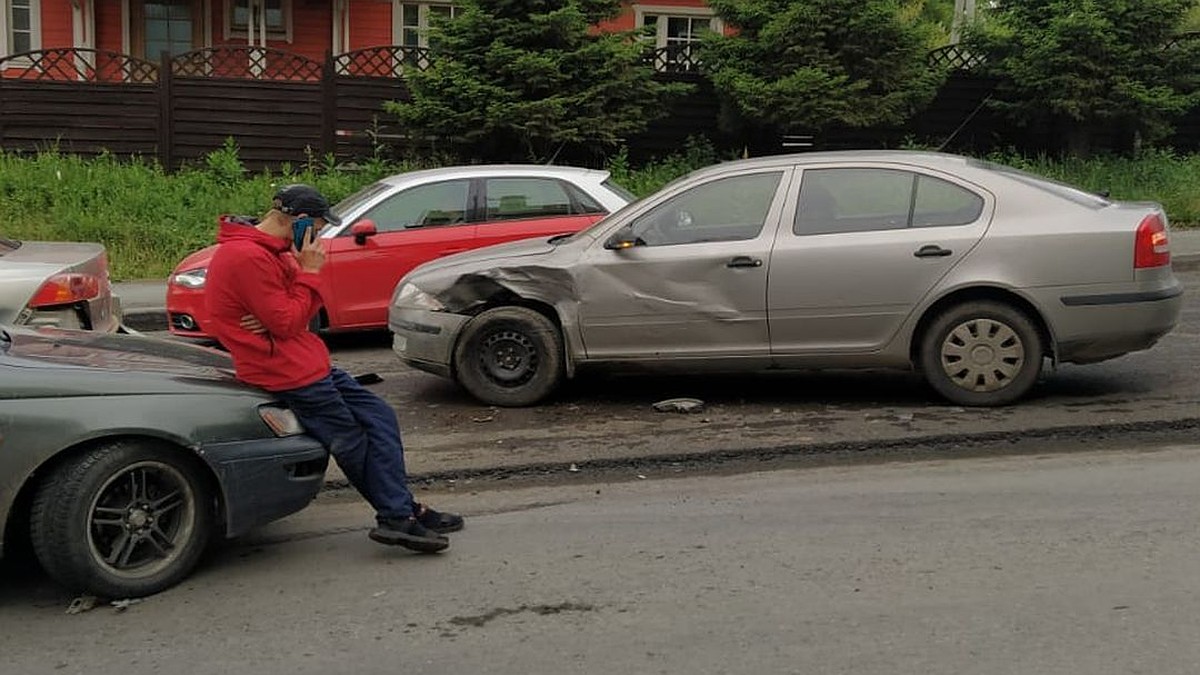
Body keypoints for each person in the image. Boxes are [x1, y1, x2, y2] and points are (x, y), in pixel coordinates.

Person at [204, 183, 462, 553]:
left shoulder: (276, 251)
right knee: (352, 441)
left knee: (381, 416)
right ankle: (396, 517)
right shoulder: (248, 257)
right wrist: (305, 277)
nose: (322, 235)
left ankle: (404, 509)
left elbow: (297, 314)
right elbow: (291, 320)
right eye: (321, 227)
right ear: (300, 221)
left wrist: (292, 293)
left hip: (308, 361)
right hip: (288, 372)